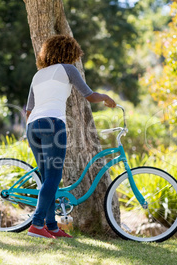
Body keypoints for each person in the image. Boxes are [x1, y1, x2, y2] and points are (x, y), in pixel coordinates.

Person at [25, 35, 116, 239]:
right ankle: (37, 224)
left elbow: (28, 110)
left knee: (47, 178)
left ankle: (51, 226)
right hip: (52, 125)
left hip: (33, 127)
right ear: (69, 52)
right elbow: (90, 95)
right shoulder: (68, 69)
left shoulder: (37, 75)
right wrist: (106, 98)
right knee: (54, 178)